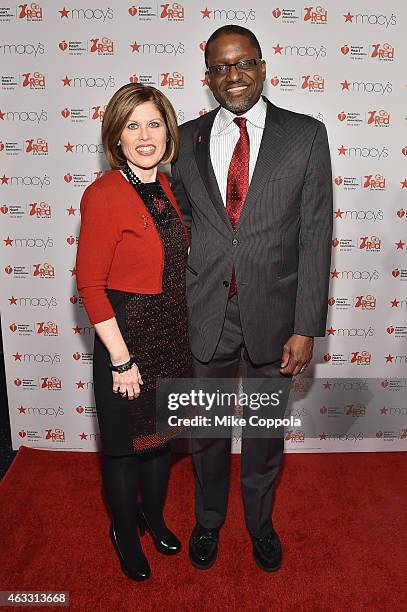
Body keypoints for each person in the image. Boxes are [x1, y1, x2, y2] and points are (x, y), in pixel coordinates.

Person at [171, 25, 333, 572]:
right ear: (208, 78)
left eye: (242, 64)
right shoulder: (188, 140)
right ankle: (209, 520)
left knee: (264, 436)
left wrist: (306, 325)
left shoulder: (306, 135)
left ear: (263, 67)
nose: (232, 76)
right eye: (220, 67)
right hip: (206, 314)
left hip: (275, 316)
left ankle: (260, 525)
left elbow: (315, 233)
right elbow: (186, 226)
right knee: (206, 432)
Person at [76, 83, 192, 581]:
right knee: (124, 450)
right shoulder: (103, 194)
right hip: (126, 338)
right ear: (116, 137)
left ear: (168, 131)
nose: (145, 135)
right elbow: (90, 285)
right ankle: (124, 530)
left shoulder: (167, 186)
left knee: (160, 441)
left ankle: (152, 516)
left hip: (171, 334)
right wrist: (122, 360)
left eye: (154, 123)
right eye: (132, 125)